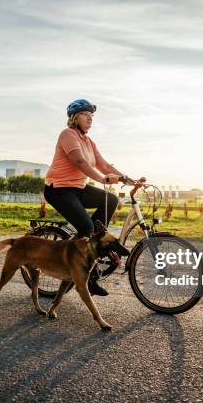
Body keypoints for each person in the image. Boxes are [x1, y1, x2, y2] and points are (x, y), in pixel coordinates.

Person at [44, 99, 128, 296]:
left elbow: (104, 165)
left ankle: (94, 240)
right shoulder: (67, 134)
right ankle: (90, 277)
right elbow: (79, 161)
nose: (90, 117)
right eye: (85, 113)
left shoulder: (89, 142)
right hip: (59, 190)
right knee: (86, 227)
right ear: (75, 118)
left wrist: (126, 178)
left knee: (111, 200)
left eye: (91, 114)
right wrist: (102, 179)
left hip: (78, 188)